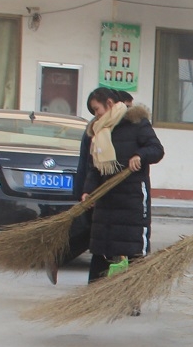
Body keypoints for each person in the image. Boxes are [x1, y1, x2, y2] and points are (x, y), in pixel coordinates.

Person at [70, 88, 164, 286]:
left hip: (132, 198)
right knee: (101, 247)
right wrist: (89, 191)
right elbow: (94, 167)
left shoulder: (137, 123)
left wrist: (140, 156)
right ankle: (94, 295)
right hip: (106, 198)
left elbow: (156, 149)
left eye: (97, 109)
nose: (96, 115)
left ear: (110, 103)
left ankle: (131, 298)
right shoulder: (99, 131)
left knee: (133, 249)